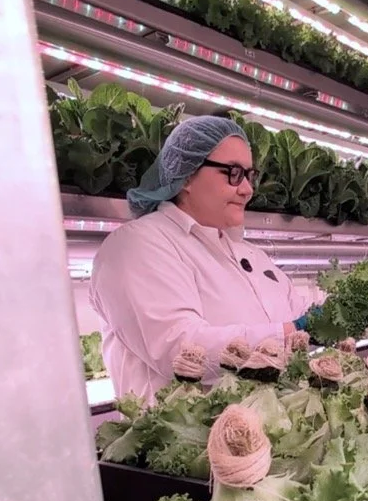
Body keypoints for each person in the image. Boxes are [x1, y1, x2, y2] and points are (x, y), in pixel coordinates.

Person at [90, 116, 317, 400]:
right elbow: (181, 350)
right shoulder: (136, 245)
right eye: (233, 173)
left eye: (249, 175)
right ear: (186, 175)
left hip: (263, 423)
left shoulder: (249, 253)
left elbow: (299, 311)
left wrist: (333, 315)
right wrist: (290, 334)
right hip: (190, 428)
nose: (247, 189)